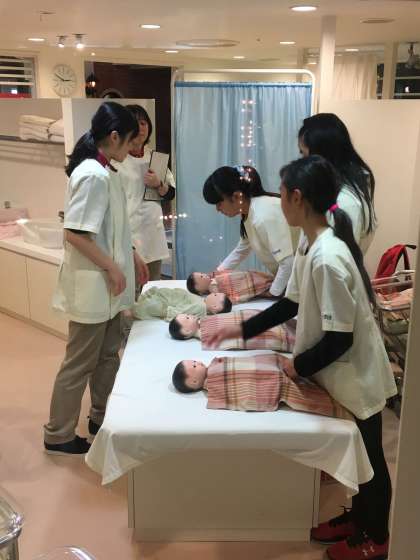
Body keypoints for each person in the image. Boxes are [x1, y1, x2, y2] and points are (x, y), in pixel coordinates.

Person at [207, 156, 397, 560]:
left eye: (282, 194)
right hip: (340, 371)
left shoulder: (328, 257)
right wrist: (241, 330)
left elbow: (340, 339)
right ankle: (358, 519)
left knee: (370, 459)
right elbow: (290, 303)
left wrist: (298, 366)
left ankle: (377, 538)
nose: (277, 202)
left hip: (357, 373)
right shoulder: (311, 243)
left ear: (297, 198)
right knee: (359, 456)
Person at [44, 102, 149, 456]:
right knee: (79, 363)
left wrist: (131, 255)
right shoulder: (92, 174)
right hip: (94, 286)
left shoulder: (108, 171)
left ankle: (102, 417)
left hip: (108, 287)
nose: (134, 148)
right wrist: (112, 267)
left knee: (107, 356)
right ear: (115, 137)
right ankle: (58, 433)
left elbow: (112, 228)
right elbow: (75, 233)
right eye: (131, 141)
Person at [203, 165, 295, 297]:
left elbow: (288, 262)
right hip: (293, 281)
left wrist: (272, 292)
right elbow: (242, 249)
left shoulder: (263, 214)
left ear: (236, 196)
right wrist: (216, 273)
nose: (217, 209)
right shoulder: (249, 213)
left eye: (219, 203)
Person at [171, 354, 351, 419]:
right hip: (273, 381)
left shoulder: (216, 363)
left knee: (284, 366)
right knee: (297, 388)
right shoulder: (215, 389)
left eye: (194, 361)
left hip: (268, 366)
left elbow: (244, 362)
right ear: (194, 382)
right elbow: (243, 395)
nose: (198, 362)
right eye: (194, 366)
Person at [298, 113, 377, 254]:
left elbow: (333, 263)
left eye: (304, 154)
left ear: (322, 156)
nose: (302, 162)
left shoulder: (345, 203)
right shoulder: (329, 193)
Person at [116, 104, 176, 281]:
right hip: (127, 234)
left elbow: (171, 193)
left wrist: (158, 184)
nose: (140, 128)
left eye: (143, 123)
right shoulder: (116, 159)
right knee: (129, 288)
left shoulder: (155, 158)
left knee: (153, 286)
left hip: (152, 234)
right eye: (135, 123)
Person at [169, 310, 296, 353]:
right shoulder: (206, 336)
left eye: (187, 314)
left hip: (246, 319)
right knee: (270, 332)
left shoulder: (205, 320)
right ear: (187, 331)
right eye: (187, 318)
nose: (190, 315)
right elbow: (231, 341)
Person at [132, 286, 232, 321]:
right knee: (156, 296)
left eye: (215, 295)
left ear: (215, 306)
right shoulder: (202, 301)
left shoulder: (201, 307)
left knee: (148, 306)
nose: (213, 293)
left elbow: (181, 312)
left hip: (165, 303)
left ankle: (134, 309)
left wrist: (164, 311)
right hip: (171, 296)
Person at [186, 268, 273, 303]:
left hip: (245, 276)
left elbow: (228, 272)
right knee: (267, 287)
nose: (204, 275)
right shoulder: (214, 293)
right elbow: (228, 301)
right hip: (246, 287)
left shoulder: (214, 275)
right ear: (200, 292)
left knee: (266, 279)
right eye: (201, 277)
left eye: (202, 273)